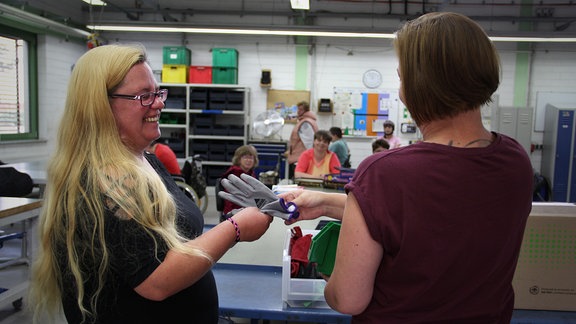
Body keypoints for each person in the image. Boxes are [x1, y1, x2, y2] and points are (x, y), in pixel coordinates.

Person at [281, 12, 533, 323]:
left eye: (402, 78)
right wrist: (326, 203)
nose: (401, 92)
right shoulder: (515, 161)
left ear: (421, 84)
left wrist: (325, 276)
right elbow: (438, 215)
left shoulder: (384, 173)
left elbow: (348, 298)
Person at [29, 44, 272, 324]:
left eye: (157, 92)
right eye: (144, 96)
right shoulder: (104, 183)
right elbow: (157, 282)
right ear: (100, 107)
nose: (159, 103)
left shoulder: (145, 161)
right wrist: (236, 229)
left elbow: (175, 240)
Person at [219, 144, 259, 219]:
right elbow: (231, 199)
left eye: (251, 158)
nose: (248, 160)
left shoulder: (250, 173)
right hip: (235, 211)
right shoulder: (235, 174)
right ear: (238, 159)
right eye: (245, 157)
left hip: (246, 208)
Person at [285, 101, 318, 179]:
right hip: (299, 157)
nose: (298, 111)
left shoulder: (305, 123)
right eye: (298, 109)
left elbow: (309, 143)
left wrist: (310, 159)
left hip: (300, 159)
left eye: (301, 109)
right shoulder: (306, 121)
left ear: (306, 111)